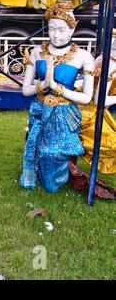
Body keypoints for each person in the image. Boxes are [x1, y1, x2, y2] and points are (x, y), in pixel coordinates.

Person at [20, 0, 94, 193]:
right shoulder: (36, 52)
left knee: (55, 153)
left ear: (73, 29)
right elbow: (25, 90)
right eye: (51, 29)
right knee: (37, 149)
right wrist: (44, 84)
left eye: (61, 30)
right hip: (40, 109)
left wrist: (56, 87)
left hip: (64, 112)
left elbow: (87, 97)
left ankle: (56, 180)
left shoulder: (82, 57)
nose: (55, 35)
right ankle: (35, 176)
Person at [68, 29, 116, 200]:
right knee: (111, 144)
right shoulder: (112, 64)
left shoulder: (103, 57)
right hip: (90, 109)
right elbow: (99, 99)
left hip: (84, 103)